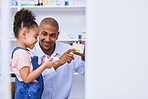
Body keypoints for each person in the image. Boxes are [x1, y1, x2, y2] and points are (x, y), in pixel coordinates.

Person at [31, 17, 85, 99]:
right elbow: (32, 79)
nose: (47, 39)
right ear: (38, 33)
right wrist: (59, 62)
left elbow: (89, 74)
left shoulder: (68, 50)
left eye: (52, 35)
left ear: (57, 35)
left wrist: (85, 56)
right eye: (44, 34)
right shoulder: (31, 52)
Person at [11, 9, 58, 99]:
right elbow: (27, 78)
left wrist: (42, 65)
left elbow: (30, 71)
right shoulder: (22, 54)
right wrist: (43, 67)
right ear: (24, 34)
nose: (37, 40)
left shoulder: (26, 52)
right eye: (35, 36)